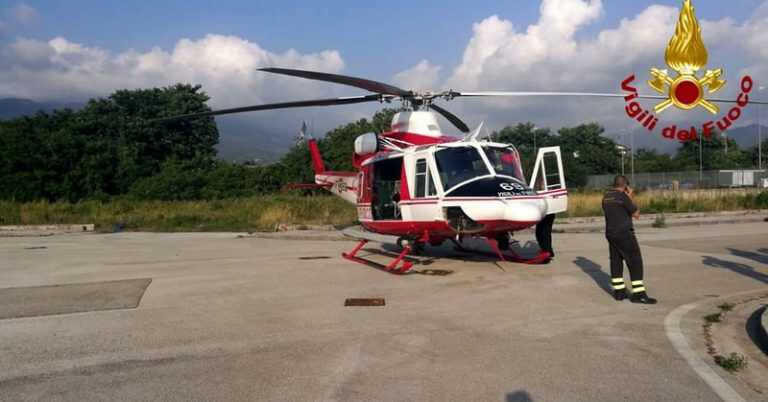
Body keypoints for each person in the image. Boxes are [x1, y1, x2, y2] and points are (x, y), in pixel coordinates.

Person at [602, 175, 657, 304]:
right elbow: (636, 214)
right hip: (624, 234)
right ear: (625, 185)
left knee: (616, 261)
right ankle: (639, 294)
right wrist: (630, 197)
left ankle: (619, 292)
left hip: (611, 233)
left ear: (614, 184)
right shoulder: (623, 197)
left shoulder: (606, 197)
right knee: (635, 261)